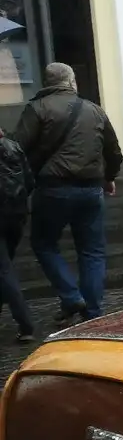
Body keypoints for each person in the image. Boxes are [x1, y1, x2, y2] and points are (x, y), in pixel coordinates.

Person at [14, 62, 121, 323]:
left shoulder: (37, 108)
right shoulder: (95, 110)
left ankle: (72, 297)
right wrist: (109, 178)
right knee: (92, 251)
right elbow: (114, 151)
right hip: (91, 190)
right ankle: (92, 313)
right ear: (71, 81)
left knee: (43, 243)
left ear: (47, 82)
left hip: (53, 188)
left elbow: (17, 150)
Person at [0, 126, 34, 341]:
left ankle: (26, 324)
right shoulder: (14, 147)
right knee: (4, 267)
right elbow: (29, 181)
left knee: (4, 270)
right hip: (15, 215)